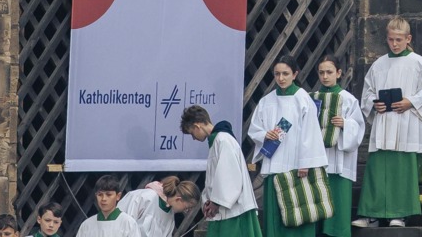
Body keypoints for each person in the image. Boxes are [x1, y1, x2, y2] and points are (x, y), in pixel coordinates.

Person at [356, 17, 422, 227]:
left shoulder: (418, 62)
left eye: (399, 40)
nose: (395, 44)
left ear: (408, 38)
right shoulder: (379, 64)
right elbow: (367, 92)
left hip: (406, 122)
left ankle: (399, 214)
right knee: (377, 168)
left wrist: (410, 102)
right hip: (384, 123)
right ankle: (371, 214)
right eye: (391, 39)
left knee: (402, 169)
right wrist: (375, 104)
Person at [248, 56, 333, 237]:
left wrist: (305, 163)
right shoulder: (266, 101)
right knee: (275, 216)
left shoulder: (302, 99)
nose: (281, 78)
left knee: (298, 213)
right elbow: (254, 128)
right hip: (274, 166)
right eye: (277, 74)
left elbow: (311, 134)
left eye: (285, 74)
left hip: (297, 167)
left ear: (295, 74)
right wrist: (265, 134)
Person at [182, 106, 258, 237]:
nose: (193, 138)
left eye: (192, 133)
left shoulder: (223, 140)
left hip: (233, 212)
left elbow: (229, 175)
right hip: (224, 210)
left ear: (197, 126)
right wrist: (208, 200)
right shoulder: (218, 140)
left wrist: (216, 202)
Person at [314, 56, 365, 237]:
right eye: (321, 73)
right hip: (318, 160)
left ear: (339, 73)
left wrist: (345, 124)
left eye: (329, 72)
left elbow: (359, 127)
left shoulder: (348, 99)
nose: (325, 76)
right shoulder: (312, 99)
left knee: (338, 202)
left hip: (339, 160)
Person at [116, 178, 195, 237]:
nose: (186, 211)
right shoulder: (146, 197)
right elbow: (122, 223)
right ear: (179, 199)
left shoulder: (170, 217)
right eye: (186, 208)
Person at [77, 177, 143, 237]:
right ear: (96, 195)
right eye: (100, 194)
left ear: (118, 196)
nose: (103, 199)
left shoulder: (128, 223)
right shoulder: (86, 225)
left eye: (108, 194)